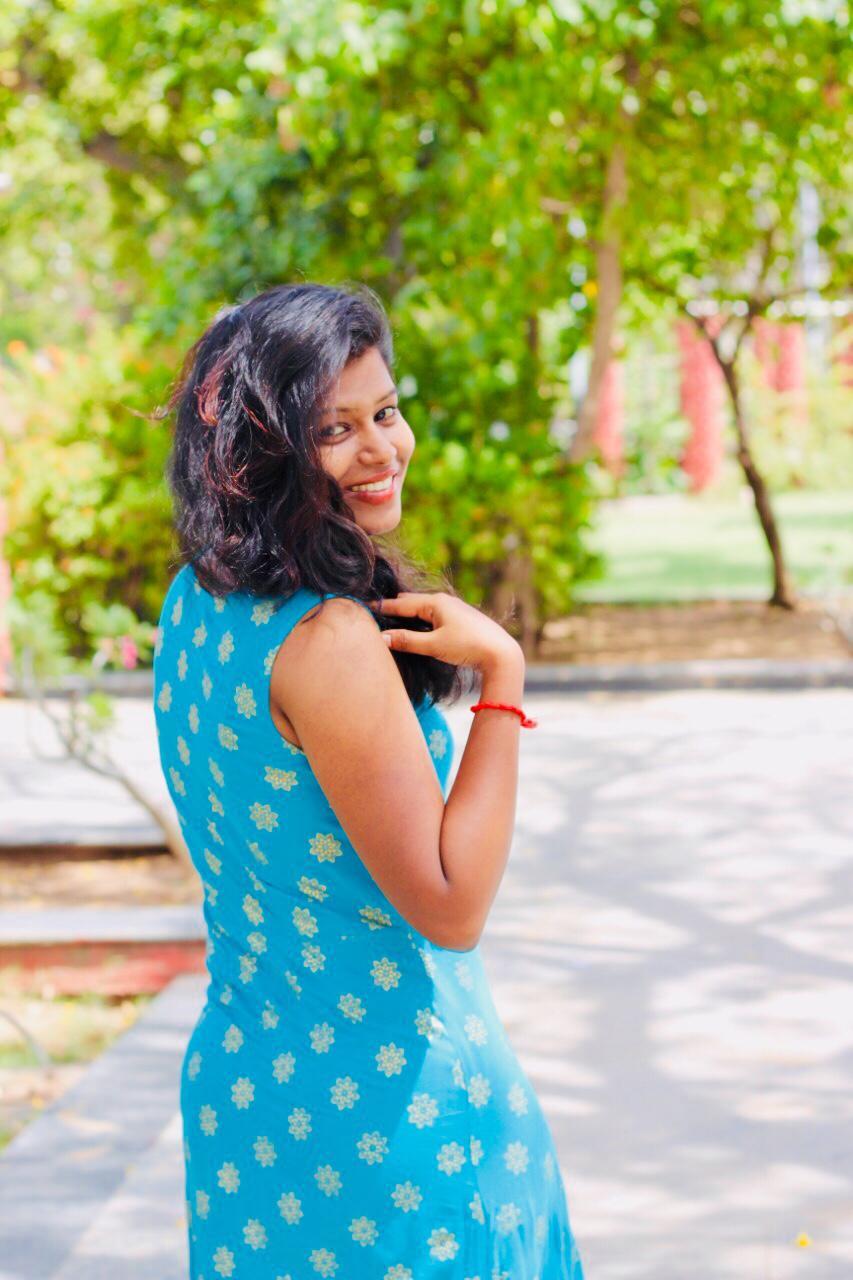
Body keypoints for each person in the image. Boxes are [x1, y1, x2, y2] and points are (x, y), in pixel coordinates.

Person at [152, 281, 585, 1279]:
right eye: (334, 429)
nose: (381, 448)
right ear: (261, 449)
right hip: (396, 1129)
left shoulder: (197, 600)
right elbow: (451, 904)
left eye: (385, 411)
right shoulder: (326, 639)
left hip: (251, 1104)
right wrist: (504, 678)